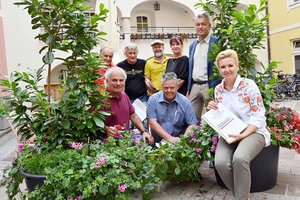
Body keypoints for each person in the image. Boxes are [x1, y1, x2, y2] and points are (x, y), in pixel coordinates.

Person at [207, 49, 270, 200]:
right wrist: (214, 109)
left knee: (240, 158)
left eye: (230, 65)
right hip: (230, 133)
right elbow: (223, 115)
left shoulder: (249, 86)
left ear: (237, 66)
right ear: (218, 69)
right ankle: (242, 197)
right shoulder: (218, 90)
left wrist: (243, 135)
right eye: (223, 67)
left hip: (254, 131)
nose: (227, 70)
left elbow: (259, 116)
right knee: (220, 163)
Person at [102, 66, 154, 144]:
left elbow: (133, 115)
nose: (118, 83)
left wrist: (144, 131)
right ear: (107, 81)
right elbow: (94, 124)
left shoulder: (124, 96)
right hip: (108, 142)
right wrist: (106, 129)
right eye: (114, 80)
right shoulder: (101, 99)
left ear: (125, 82)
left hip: (124, 139)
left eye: (121, 80)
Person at [147, 72, 197, 144]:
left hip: (179, 142)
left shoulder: (185, 102)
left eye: (172, 88)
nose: (169, 90)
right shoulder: (153, 100)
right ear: (162, 87)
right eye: (166, 88)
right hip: (157, 142)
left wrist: (183, 140)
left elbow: (192, 124)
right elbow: (152, 123)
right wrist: (170, 138)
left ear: (177, 87)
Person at [187, 13, 220, 122]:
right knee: (191, 118)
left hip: (209, 86)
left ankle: (213, 139)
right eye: (197, 24)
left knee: (214, 117)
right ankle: (194, 139)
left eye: (203, 24)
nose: (200, 27)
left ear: (209, 26)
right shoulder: (193, 45)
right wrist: (188, 88)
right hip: (194, 86)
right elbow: (190, 68)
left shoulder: (216, 42)